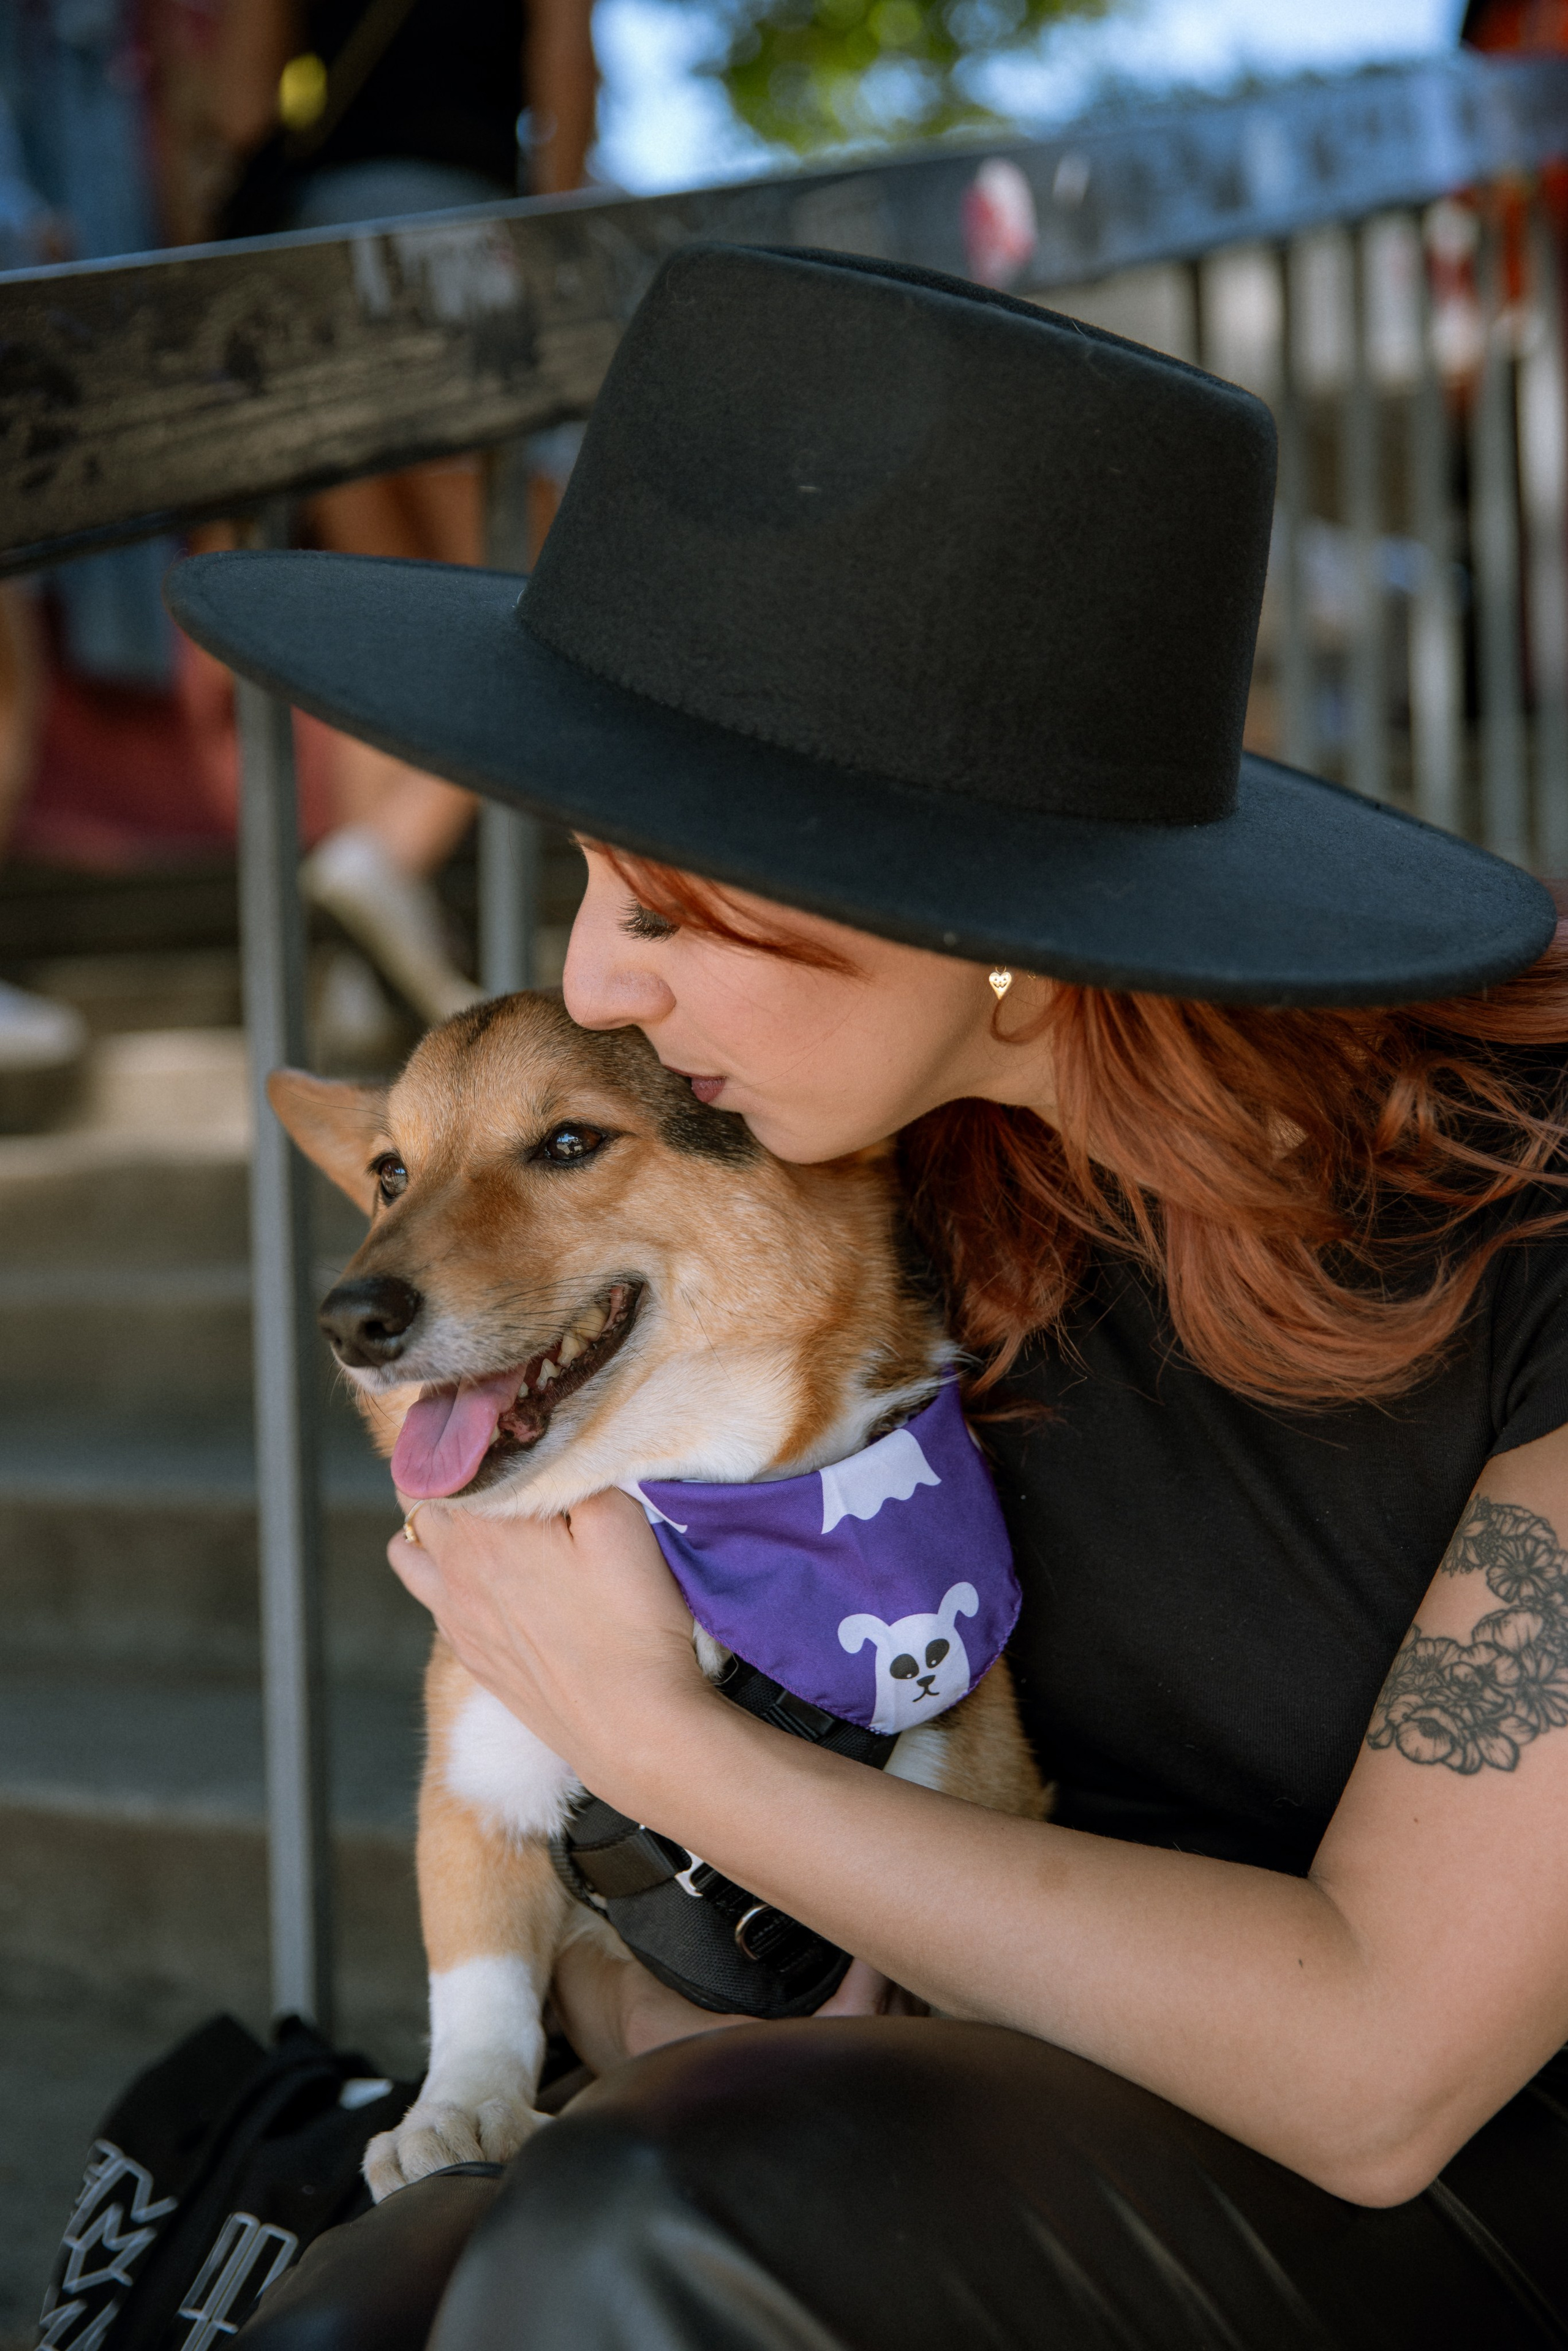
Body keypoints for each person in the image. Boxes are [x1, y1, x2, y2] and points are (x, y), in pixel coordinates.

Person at [172, 244, 1568, 2350]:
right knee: (366, 2300)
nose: (590, 984)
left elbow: (1387, 2068)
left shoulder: (1540, 1212)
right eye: (585, 877)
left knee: (643, 2227)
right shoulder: (846, 1183)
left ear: (992, 913)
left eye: (671, 904)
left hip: (1468, 2171)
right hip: (985, 2067)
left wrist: (642, 1724)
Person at [206, 0, 597, 1022]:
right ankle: (384, 858)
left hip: (313, 260)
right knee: (545, 607)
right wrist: (555, 251)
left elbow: (243, 98)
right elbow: (568, 84)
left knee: (388, 620)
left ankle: (366, 954)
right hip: (455, 244)